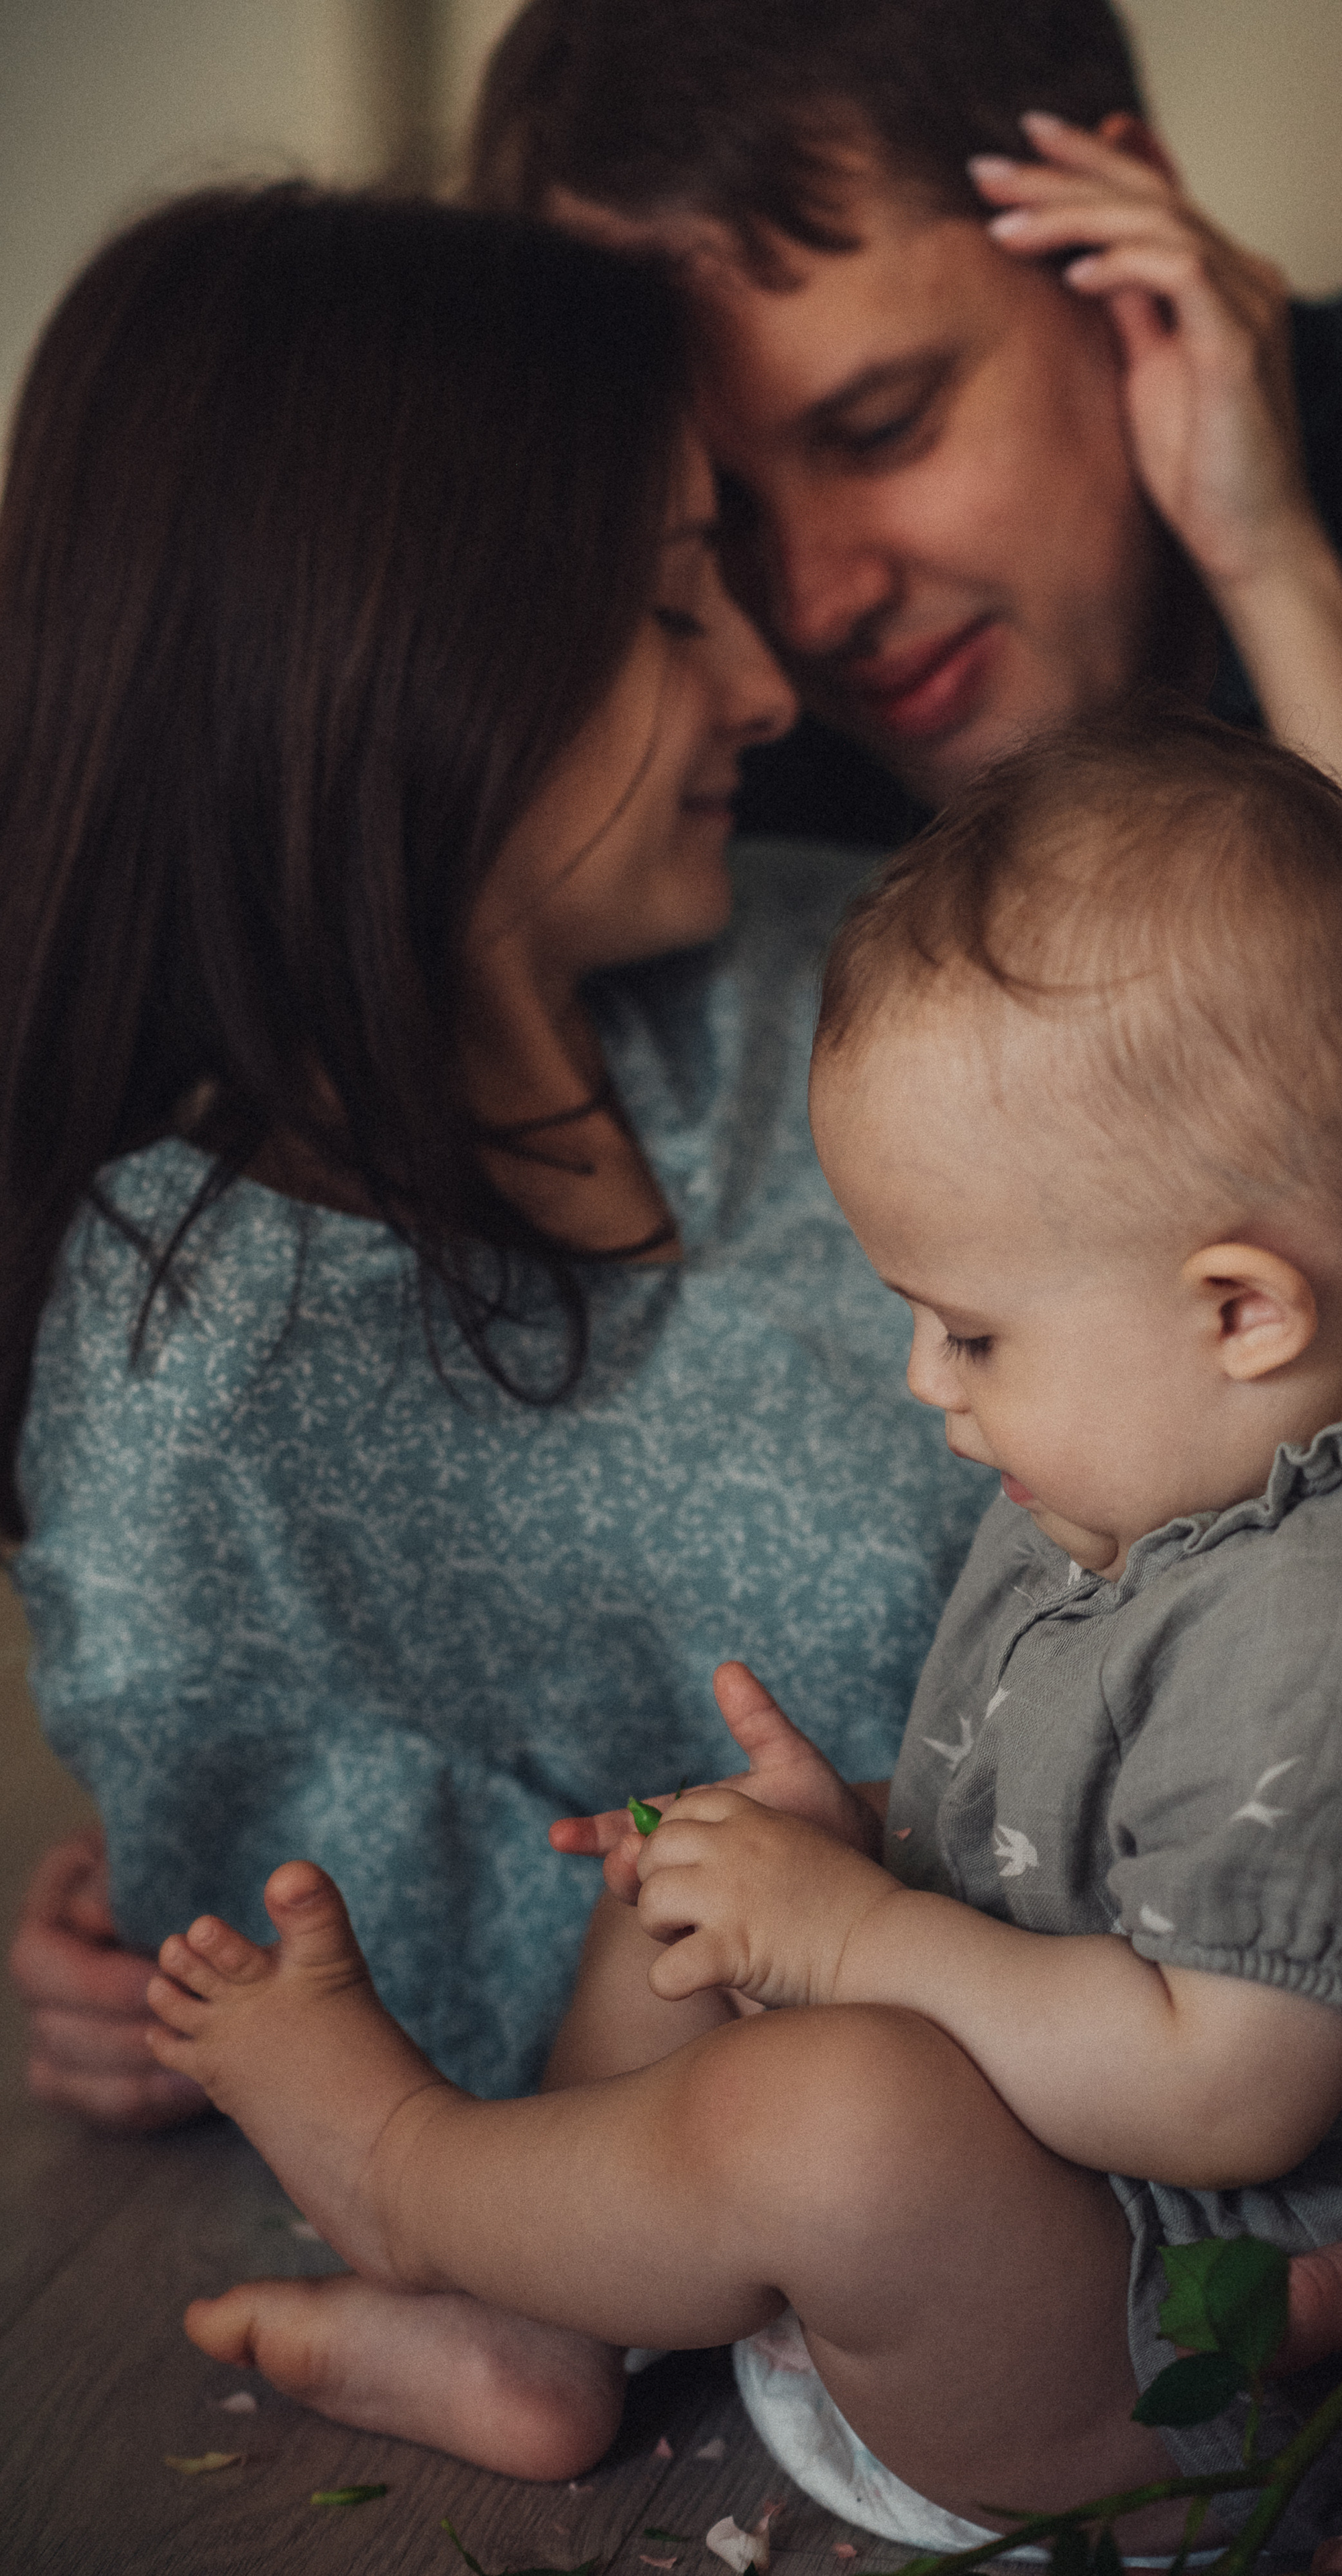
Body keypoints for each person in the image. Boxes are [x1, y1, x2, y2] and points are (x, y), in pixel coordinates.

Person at [142, 714, 1342, 2569]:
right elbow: (1099, 1860)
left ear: (1241, 1309)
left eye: (972, 1332)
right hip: (1057, 2205)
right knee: (687, 1879)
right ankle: (538, 2325)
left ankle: (407, 2180)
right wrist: (858, 1843)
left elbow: (1220, 2087)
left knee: (829, 2114)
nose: (928, 1381)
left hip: (1202, 2365)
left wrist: (855, 1935)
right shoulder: (1182, 1475)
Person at [0, 186, 989, 2182]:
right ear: (389, 651)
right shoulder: (201, 1393)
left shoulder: (833, 953)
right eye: (673, 604)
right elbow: (454, 2110)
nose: (768, 689)